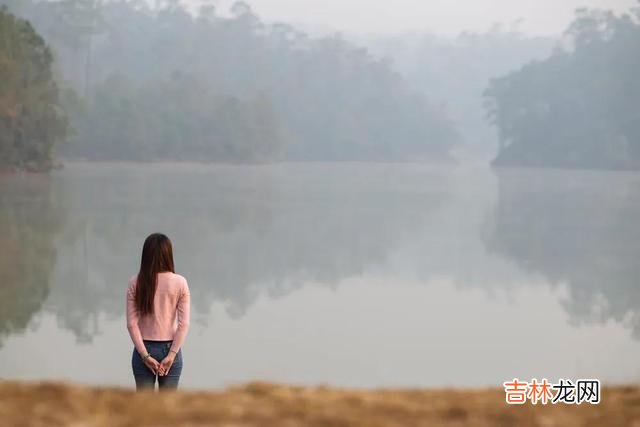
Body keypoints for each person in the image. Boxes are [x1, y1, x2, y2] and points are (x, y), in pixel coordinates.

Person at [126, 233, 190, 390]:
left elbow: (131, 324)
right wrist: (172, 355)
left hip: (143, 349)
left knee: (144, 407)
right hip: (171, 348)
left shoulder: (136, 282)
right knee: (168, 409)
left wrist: (145, 356)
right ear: (168, 254)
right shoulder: (180, 282)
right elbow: (184, 324)